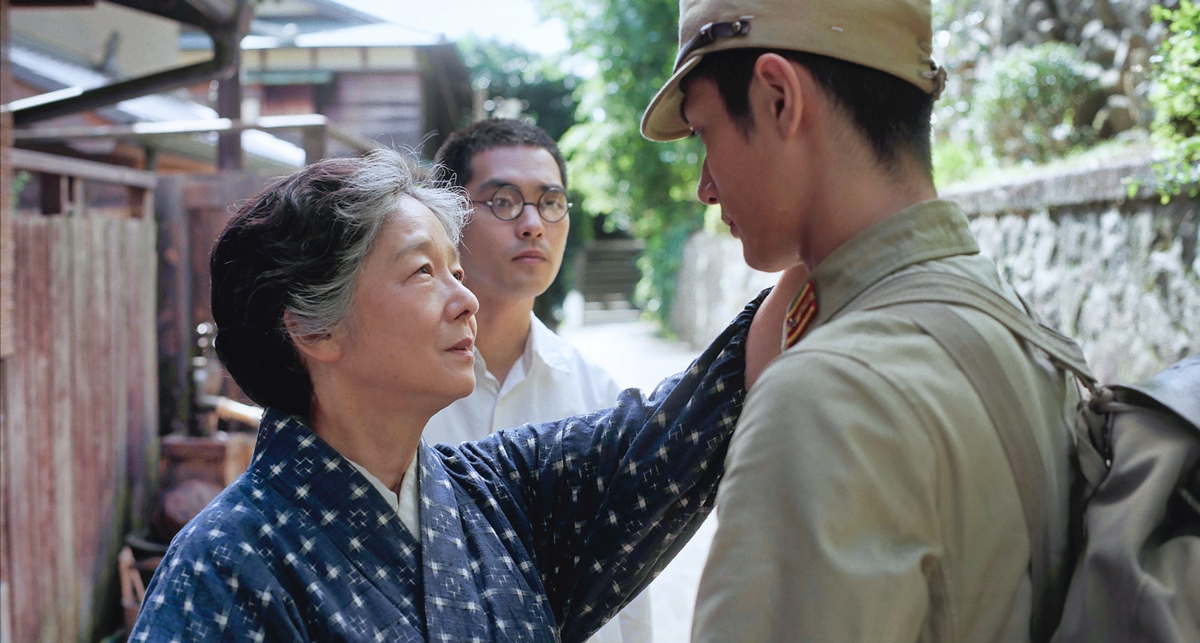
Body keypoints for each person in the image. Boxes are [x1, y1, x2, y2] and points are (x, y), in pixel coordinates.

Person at [128, 148, 782, 642]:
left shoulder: (502, 492)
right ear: (314, 327)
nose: (466, 300)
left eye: (457, 270)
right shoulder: (224, 568)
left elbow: (691, 414)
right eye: (422, 271)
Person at [641, 0, 1081, 641]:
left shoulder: (826, 399)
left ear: (777, 98)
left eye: (705, 132)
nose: (705, 186)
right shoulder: (1023, 330)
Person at [425, 119, 651, 643]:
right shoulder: (398, 391)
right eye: (503, 201)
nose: (533, 224)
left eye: (550, 202)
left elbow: (629, 583)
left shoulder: (599, 399)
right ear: (450, 218)